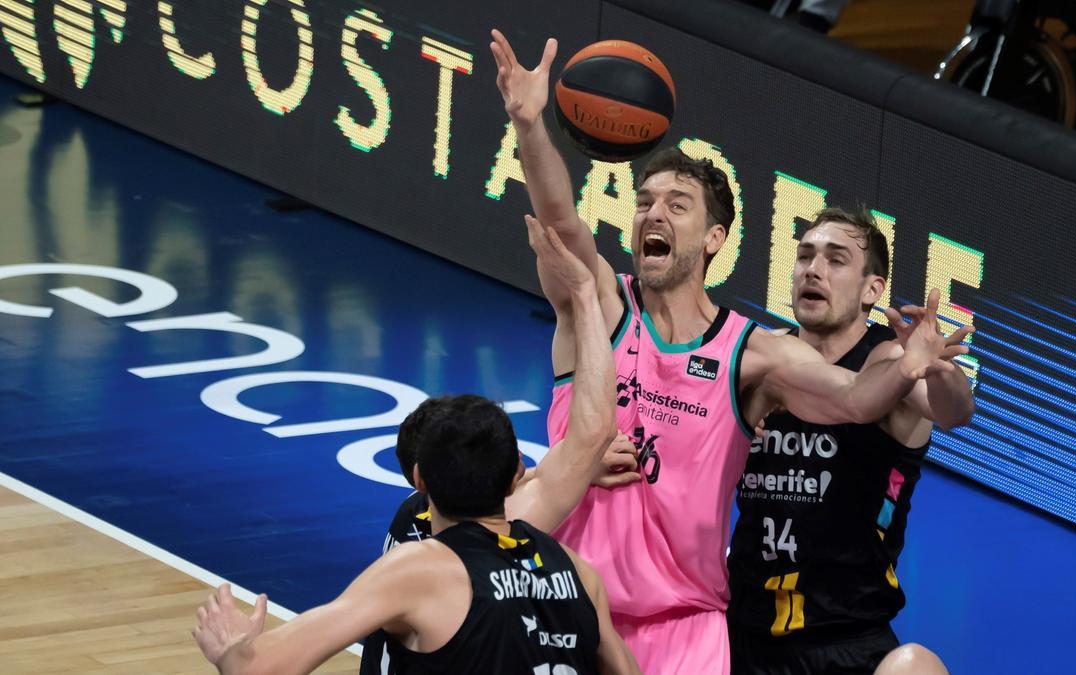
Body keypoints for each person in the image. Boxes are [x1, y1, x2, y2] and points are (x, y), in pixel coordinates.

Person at [489, 29, 971, 674]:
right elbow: (559, 222)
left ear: (715, 237)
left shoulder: (755, 353)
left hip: (689, 627)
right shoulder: (598, 304)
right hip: (569, 603)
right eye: (644, 202)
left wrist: (915, 364)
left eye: (676, 205)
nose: (652, 214)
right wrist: (529, 124)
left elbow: (860, 401)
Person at [193, 217, 640, 675]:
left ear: (419, 479)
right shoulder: (577, 575)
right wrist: (585, 295)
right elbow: (589, 436)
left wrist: (233, 648)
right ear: (516, 473)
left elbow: (259, 670)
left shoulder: (417, 567)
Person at [726, 207, 974, 673]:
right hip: (739, 628)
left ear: (872, 289)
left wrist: (935, 366)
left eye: (836, 260)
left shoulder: (889, 363)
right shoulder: (762, 356)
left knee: (916, 667)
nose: (813, 270)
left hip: (846, 638)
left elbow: (953, 412)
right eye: (804, 256)